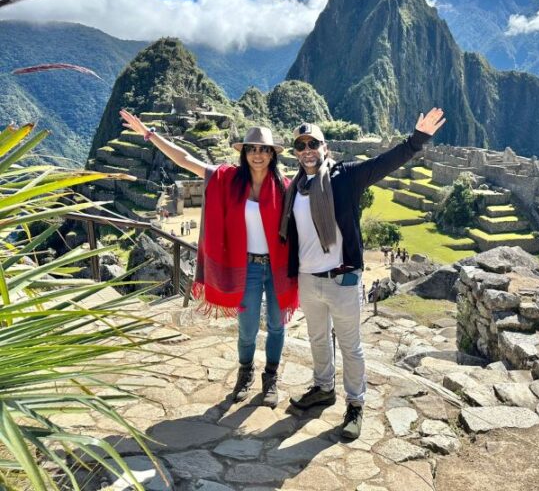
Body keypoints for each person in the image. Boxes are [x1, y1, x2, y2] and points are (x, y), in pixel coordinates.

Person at [280, 108, 446, 440]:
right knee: (316, 339)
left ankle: (355, 405)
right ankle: (323, 388)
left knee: (350, 346)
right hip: (309, 279)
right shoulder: (294, 188)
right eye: (301, 146)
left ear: (324, 148)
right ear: (296, 153)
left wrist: (417, 140)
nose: (308, 150)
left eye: (313, 143)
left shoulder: (346, 178)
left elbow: (383, 163)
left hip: (342, 279)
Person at [119, 109, 298, 407]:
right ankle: (245, 373)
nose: (257, 155)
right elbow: (185, 160)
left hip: (277, 267)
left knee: (278, 326)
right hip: (248, 268)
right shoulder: (228, 179)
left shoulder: (284, 187)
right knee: (247, 328)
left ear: (272, 154)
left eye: (263, 150)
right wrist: (150, 136)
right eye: (252, 149)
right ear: (244, 153)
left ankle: (271, 378)